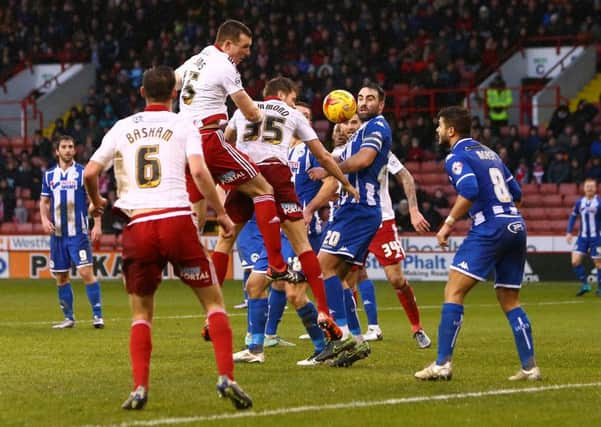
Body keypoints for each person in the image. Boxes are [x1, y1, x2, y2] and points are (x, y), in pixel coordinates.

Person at [83, 66, 252, 411]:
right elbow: (201, 172)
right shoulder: (184, 124)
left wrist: (97, 202)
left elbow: (89, 172)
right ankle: (226, 377)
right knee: (214, 304)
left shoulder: (121, 127)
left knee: (141, 315)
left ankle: (140, 387)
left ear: (142, 92)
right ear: (174, 94)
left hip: (139, 224)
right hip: (177, 220)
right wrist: (221, 214)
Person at [224, 77, 357, 363]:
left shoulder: (242, 111)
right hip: (278, 189)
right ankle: (257, 347)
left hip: (249, 179)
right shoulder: (292, 121)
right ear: (283, 95)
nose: (296, 107)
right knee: (256, 285)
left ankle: (327, 341)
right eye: (294, 100)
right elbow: (323, 156)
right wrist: (344, 182)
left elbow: (225, 144)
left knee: (287, 289)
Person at [414, 106, 541, 381]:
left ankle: (442, 364)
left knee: (454, 290)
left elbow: (469, 190)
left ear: (451, 130)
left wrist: (447, 224)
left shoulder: (456, 156)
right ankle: (530, 368)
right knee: (509, 299)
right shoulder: (491, 154)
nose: (436, 130)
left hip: (490, 227)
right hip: (515, 225)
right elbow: (517, 194)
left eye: (439, 125)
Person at [175, 19, 297, 285]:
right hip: (209, 139)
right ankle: (277, 265)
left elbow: (172, 83)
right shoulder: (224, 65)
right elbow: (252, 113)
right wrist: (261, 113)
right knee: (263, 189)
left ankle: (191, 271)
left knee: (198, 221)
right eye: (244, 47)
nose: (247, 53)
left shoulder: (197, 59)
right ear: (228, 44)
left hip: (185, 145)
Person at [305, 83, 392, 367]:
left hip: (358, 211)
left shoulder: (378, 127)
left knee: (322, 267)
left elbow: (364, 160)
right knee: (341, 279)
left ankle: (340, 335)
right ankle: (352, 340)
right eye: (360, 98)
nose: (364, 102)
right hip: (350, 210)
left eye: (370, 99)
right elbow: (336, 170)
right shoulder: (357, 135)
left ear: (381, 104)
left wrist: (331, 167)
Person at [39, 135, 104, 329]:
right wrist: (44, 219)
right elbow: (44, 201)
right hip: (57, 235)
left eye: (71, 147)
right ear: (57, 151)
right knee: (61, 276)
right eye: (64, 147)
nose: (68, 150)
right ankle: (69, 318)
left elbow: (95, 200)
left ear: (75, 150)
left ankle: (97, 316)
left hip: (79, 233)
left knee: (85, 272)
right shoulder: (49, 175)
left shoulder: (83, 173)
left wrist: (97, 224)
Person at [566, 177, 601, 296]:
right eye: (587, 186)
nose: (589, 188)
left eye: (592, 186)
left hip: (597, 237)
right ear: (584, 188)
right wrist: (569, 232)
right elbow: (572, 217)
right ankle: (585, 284)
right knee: (575, 261)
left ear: (596, 188)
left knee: (598, 263)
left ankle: (600, 288)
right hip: (582, 237)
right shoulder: (579, 202)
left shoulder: (599, 203)